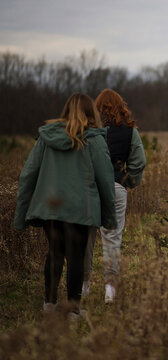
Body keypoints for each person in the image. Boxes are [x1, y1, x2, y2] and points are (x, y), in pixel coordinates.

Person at [14, 93, 116, 319]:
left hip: (50, 207)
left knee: (55, 253)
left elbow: (27, 175)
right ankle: (72, 311)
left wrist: (21, 214)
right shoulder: (95, 140)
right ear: (92, 113)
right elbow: (106, 180)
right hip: (81, 209)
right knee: (76, 257)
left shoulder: (46, 137)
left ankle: (49, 304)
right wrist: (109, 218)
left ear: (66, 111)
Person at [83, 89, 146, 304]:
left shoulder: (87, 130)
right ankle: (110, 289)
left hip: (88, 188)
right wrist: (127, 183)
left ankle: (83, 286)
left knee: (85, 238)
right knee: (112, 239)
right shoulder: (130, 132)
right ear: (122, 107)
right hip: (115, 187)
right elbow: (139, 162)